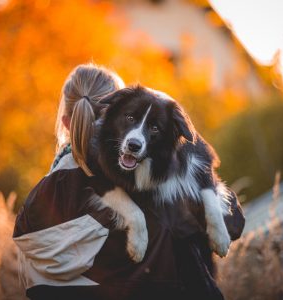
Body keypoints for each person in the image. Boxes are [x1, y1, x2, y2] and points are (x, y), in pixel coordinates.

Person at [13, 63, 245, 300]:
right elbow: (233, 225)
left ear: (65, 122)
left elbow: (36, 284)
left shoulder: (41, 197)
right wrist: (183, 140)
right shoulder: (144, 182)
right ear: (116, 113)